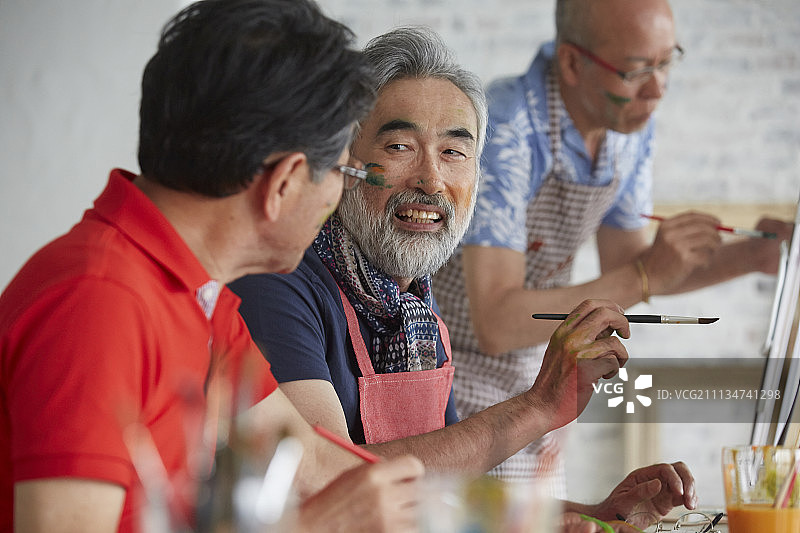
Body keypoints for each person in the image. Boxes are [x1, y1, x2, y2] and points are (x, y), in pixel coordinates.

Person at [230, 26, 698, 530]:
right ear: (343, 161)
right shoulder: (276, 287)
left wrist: (595, 514)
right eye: (399, 146)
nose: (431, 180)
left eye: (454, 153)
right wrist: (538, 407)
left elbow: (446, 498)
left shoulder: (415, 308)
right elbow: (330, 487)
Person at [0, 1, 426, 532]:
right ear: (285, 182)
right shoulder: (99, 302)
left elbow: (310, 461)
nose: (338, 193)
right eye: (343, 171)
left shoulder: (198, 291)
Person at [432, 0, 793, 488]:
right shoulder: (505, 125)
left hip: (540, 374)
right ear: (572, 63)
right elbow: (495, 321)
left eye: (666, 62)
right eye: (636, 70)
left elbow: (630, 265)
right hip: (456, 383)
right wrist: (643, 276)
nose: (657, 89)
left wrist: (754, 255)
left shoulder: (627, 125)